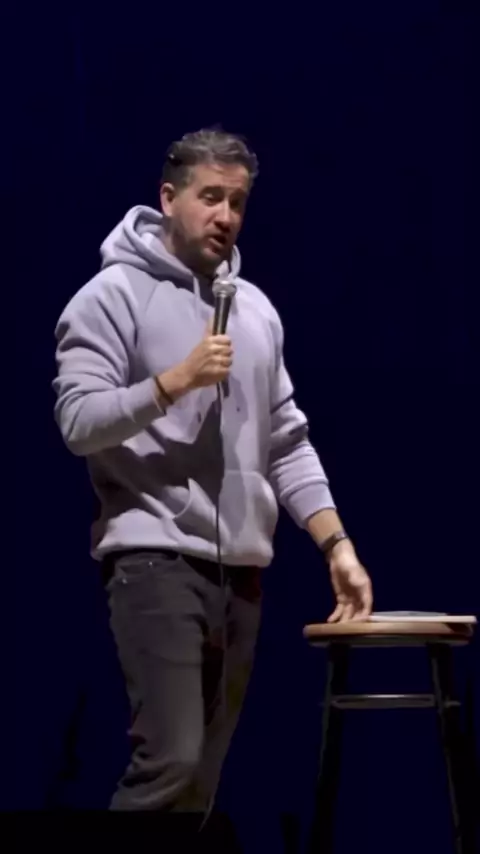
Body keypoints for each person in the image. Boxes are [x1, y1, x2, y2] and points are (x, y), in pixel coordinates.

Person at [52, 128, 373, 835]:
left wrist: (336, 545)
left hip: (241, 577)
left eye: (237, 202)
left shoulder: (254, 309)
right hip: (154, 559)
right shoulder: (111, 296)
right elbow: (77, 421)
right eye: (210, 198)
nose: (225, 216)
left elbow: (286, 439)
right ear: (169, 198)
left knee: (199, 783)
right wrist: (175, 381)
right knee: (170, 761)